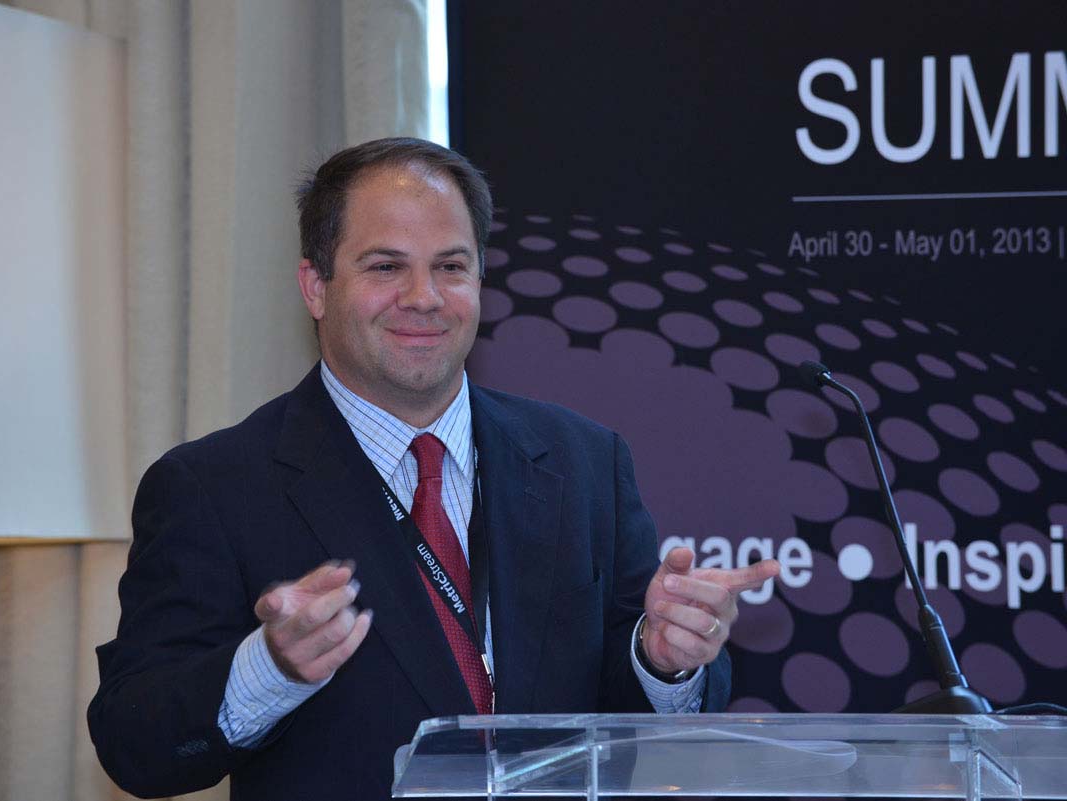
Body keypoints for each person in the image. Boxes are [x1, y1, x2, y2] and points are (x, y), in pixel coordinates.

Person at [88, 138, 779, 800]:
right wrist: (268, 668)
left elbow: (632, 700)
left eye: (450, 266)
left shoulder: (585, 461)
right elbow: (135, 745)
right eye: (386, 267)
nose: (423, 296)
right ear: (316, 286)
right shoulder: (214, 486)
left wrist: (661, 658)